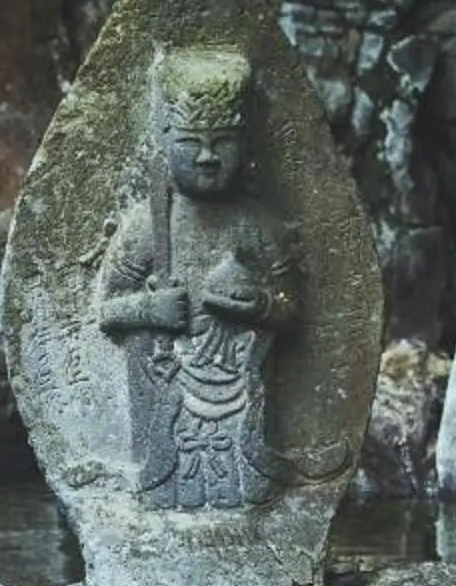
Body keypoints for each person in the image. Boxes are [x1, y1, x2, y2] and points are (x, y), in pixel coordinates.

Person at [95, 46, 303, 509]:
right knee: (172, 487)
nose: (208, 157)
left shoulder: (257, 225)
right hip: (170, 378)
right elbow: (108, 311)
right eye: (191, 143)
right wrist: (150, 309)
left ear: (246, 145)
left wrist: (261, 306)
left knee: (246, 490)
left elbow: (292, 313)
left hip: (240, 383)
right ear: (165, 141)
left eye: (223, 142)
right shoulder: (148, 226)